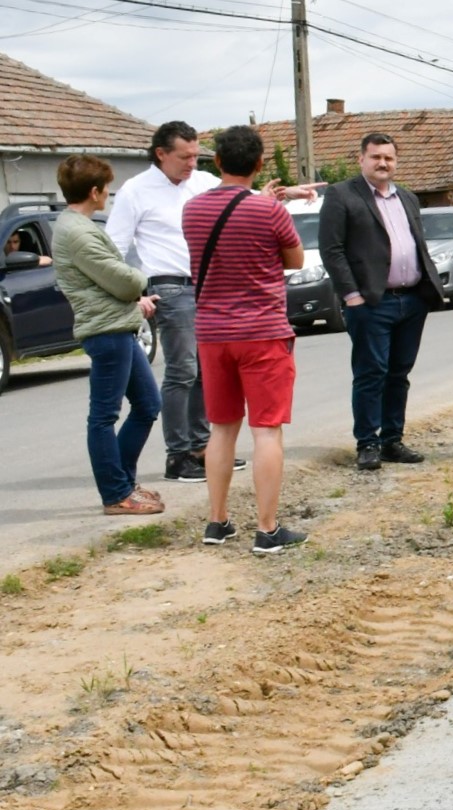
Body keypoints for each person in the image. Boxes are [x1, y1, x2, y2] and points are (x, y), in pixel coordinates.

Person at [180, 125, 314, 554]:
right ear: (259, 164)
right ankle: (267, 529)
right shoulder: (269, 210)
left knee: (221, 429)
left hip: (212, 333)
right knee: (266, 431)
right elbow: (295, 259)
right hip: (262, 332)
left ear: (217, 161)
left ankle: (217, 521)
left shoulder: (192, 210)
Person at [106, 120, 241, 484]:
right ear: (161, 154)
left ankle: (202, 448)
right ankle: (177, 455)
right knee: (182, 370)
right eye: (184, 157)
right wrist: (132, 293)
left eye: (196, 156)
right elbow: (114, 247)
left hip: (207, 286)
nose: (192, 164)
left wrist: (282, 195)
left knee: (207, 369)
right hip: (169, 286)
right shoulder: (136, 191)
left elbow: (242, 198)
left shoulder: (203, 183)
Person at [318, 132, 445, 471]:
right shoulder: (342, 195)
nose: (382, 163)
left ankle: (392, 440)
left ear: (396, 161)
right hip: (371, 303)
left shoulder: (408, 197)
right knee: (371, 373)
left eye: (388, 157)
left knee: (399, 373)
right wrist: (352, 296)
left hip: (411, 300)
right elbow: (331, 250)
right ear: (361, 159)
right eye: (376, 157)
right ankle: (367, 443)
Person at [50, 155, 164, 515]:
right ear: (94, 191)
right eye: (107, 189)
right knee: (103, 416)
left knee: (148, 404)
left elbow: (105, 282)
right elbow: (124, 280)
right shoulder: (78, 233)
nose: (108, 195)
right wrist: (140, 282)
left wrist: (133, 299)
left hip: (117, 325)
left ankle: (124, 483)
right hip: (106, 331)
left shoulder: (78, 226)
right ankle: (115, 494)